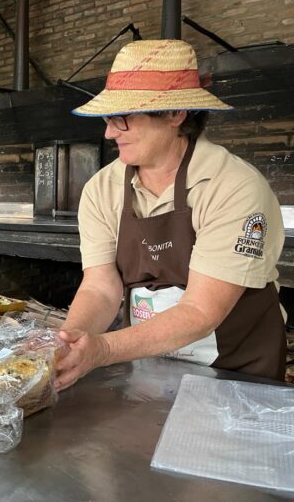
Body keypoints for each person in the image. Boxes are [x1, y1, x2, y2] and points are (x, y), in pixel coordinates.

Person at [55, 39, 286, 389]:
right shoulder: (102, 189)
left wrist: (103, 350)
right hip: (150, 363)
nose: (109, 132)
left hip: (236, 373)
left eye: (122, 118)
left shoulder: (233, 186)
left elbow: (200, 311)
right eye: (108, 118)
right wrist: (69, 342)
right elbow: (101, 287)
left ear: (175, 114)